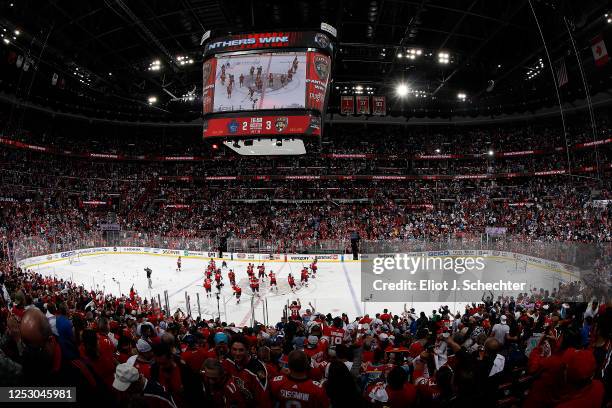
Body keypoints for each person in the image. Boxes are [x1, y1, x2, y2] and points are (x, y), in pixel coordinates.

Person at [221, 335, 269, 406]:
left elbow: (264, 400)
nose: (237, 353)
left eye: (241, 350)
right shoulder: (228, 360)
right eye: (234, 349)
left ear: (247, 350)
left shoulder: (257, 369)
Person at [112, 362, 177, 408]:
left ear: (136, 383)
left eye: (127, 388)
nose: (126, 391)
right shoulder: (138, 389)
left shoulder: (158, 396)